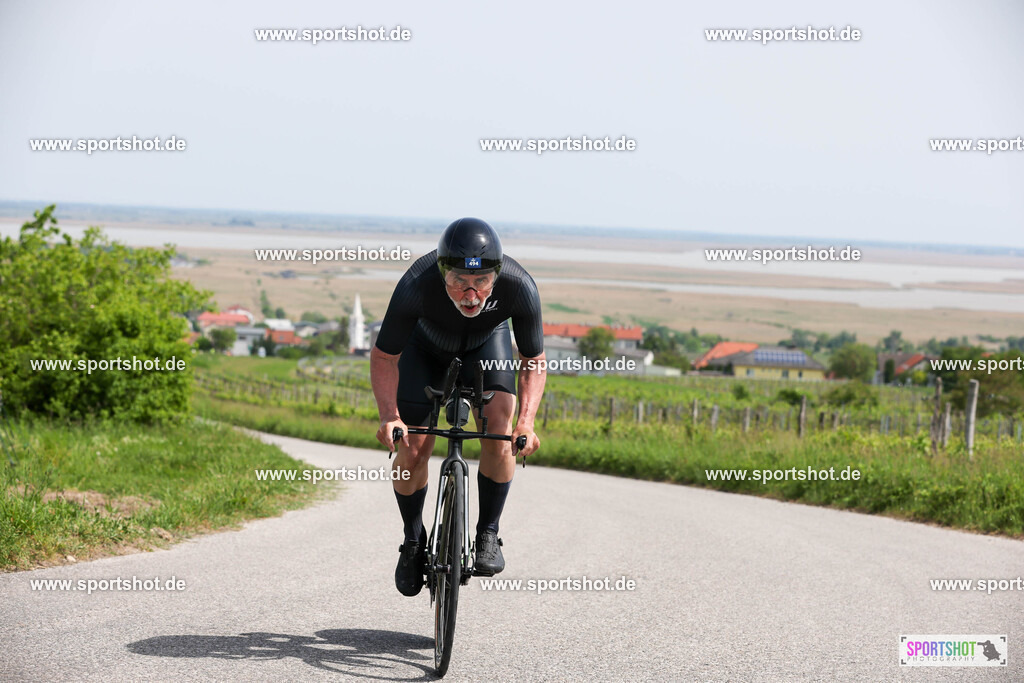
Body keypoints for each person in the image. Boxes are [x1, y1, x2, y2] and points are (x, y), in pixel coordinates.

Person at [371, 217, 546, 596]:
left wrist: (527, 423)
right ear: (441, 273)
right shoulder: (415, 284)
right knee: (413, 448)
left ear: (497, 274)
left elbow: (533, 360)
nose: (471, 294)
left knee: (500, 431)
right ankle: (413, 539)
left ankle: (488, 534)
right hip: (425, 350)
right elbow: (384, 357)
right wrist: (390, 416)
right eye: (458, 282)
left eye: (482, 281)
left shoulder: (520, 285)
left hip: (487, 347)